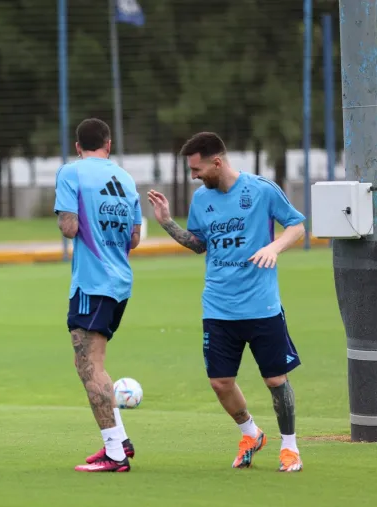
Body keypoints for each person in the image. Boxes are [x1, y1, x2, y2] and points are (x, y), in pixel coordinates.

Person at [147, 131, 305, 472]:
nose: (193, 176)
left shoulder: (261, 190)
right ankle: (250, 433)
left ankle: (290, 448)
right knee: (220, 382)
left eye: (197, 169)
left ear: (217, 162)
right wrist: (167, 223)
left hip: (261, 305)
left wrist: (273, 247)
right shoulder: (201, 199)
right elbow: (199, 244)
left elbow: (297, 226)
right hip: (218, 307)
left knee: (275, 380)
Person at [53, 118, 143, 473]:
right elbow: (134, 238)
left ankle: (115, 454)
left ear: (78, 147)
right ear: (108, 145)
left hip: (92, 283)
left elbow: (69, 227)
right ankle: (120, 439)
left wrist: (71, 217)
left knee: (90, 366)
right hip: (120, 283)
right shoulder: (126, 178)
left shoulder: (71, 172)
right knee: (91, 363)